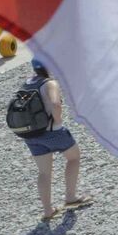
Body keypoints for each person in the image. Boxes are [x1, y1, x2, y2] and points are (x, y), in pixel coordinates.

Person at [20, 62, 88, 222]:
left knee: (44, 172)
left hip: (31, 135)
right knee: (73, 158)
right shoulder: (49, 83)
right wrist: (57, 121)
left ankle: (48, 211)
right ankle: (70, 197)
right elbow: (56, 104)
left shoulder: (28, 82)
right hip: (53, 131)